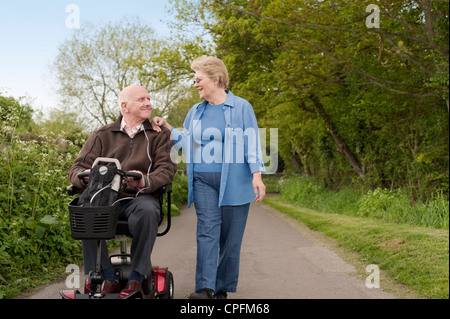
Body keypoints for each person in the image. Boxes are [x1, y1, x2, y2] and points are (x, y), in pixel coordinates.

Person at [152, 56, 266, 299]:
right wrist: (168, 127)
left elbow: (252, 143)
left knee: (231, 240)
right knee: (207, 232)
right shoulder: (195, 112)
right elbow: (186, 143)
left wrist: (257, 175)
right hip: (203, 181)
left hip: (235, 183)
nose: (195, 84)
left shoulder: (241, 107)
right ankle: (205, 288)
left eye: (198, 79)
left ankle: (221, 288)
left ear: (216, 79)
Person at [68, 85, 177, 296]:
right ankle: (106, 277)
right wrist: (86, 176)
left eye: (148, 98)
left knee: (147, 211)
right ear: (124, 106)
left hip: (140, 198)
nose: (148, 103)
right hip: (106, 199)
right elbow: (75, 169)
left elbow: (167, 170)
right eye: (141, 99)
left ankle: (136, 278)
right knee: (85, 208)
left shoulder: (160, 134)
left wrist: (145, 180)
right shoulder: (102, 134)